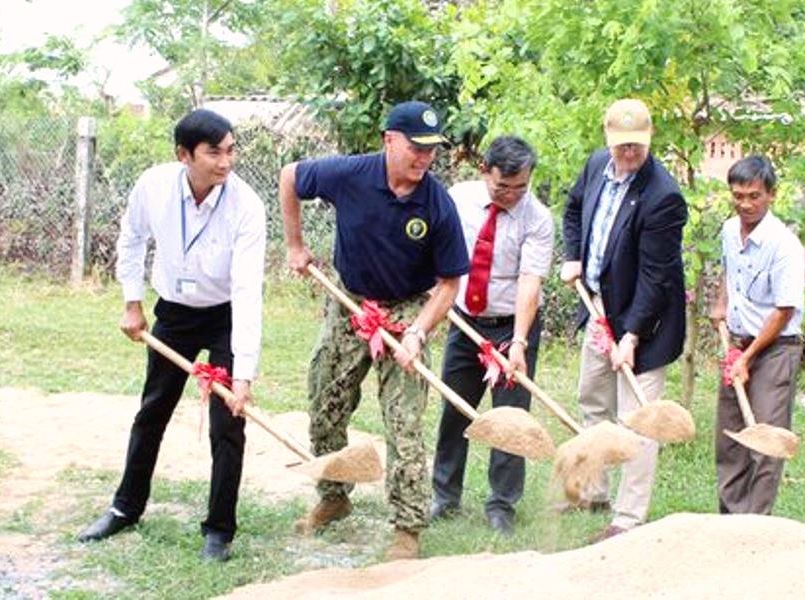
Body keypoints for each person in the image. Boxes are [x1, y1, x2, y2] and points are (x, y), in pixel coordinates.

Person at [279, 100, 469, 560]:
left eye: (431, 150)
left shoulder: (436, 203)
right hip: (350, 301)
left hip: (406, 309)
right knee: (326, 400)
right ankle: (333, 496)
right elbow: (289, 176)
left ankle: (408, 527)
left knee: (404, 421)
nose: (424, 158)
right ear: (389, 140)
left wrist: (418, 332)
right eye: (416, 148)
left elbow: (449, 284)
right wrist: (295, 245)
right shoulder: (350, 174)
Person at [76, 109, 267, 562]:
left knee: (228, 425)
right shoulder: (153, 186)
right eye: (214, 152)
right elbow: (132, 239)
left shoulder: (247, 206)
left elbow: (246, 292)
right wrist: (131, 303)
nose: (226, 162)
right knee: (152, 411)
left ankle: (219, 530)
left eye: (231, 150)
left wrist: (243, 374)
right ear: (185, 154)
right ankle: (125, 507)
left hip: (224, 315)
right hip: (175, 315)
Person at [560, 98, 688, 542]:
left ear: (649, 140)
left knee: (637, 420)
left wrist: (631, 335)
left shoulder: (663, 196)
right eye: (621, 147)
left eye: (637, 146)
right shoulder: (597, 165)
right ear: (607, 140)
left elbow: (656, 277)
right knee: (593, 399)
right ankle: (594, 490)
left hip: (646, 323)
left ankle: (628, 518)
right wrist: (573, 256)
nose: (629, 155)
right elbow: (574, 209)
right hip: (599, 307)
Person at [429, 136, 554, 535]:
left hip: (511, 325)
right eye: (503, 187)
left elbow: (529, 282)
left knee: (511, 418)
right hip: (465, 322)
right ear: (485, 171)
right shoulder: (457, 199)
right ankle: (444, 496)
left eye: (521, 187)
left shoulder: (537, 218)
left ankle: (502, 505)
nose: (513, 196)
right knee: (456, 409)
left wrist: (517, 341)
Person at [709, 155, 805, 515]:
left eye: (754, 196)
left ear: (771, 195)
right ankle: (730, 518)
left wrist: (747, 360)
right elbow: (729, 273)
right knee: (731, 436)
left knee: (765, 438)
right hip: (736, 343)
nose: (745, 204)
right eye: (738, 196)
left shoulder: (785, 246)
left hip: (775, 350)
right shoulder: (729, 231)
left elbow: (784, 311)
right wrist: (721, 304)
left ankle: (756, 523)